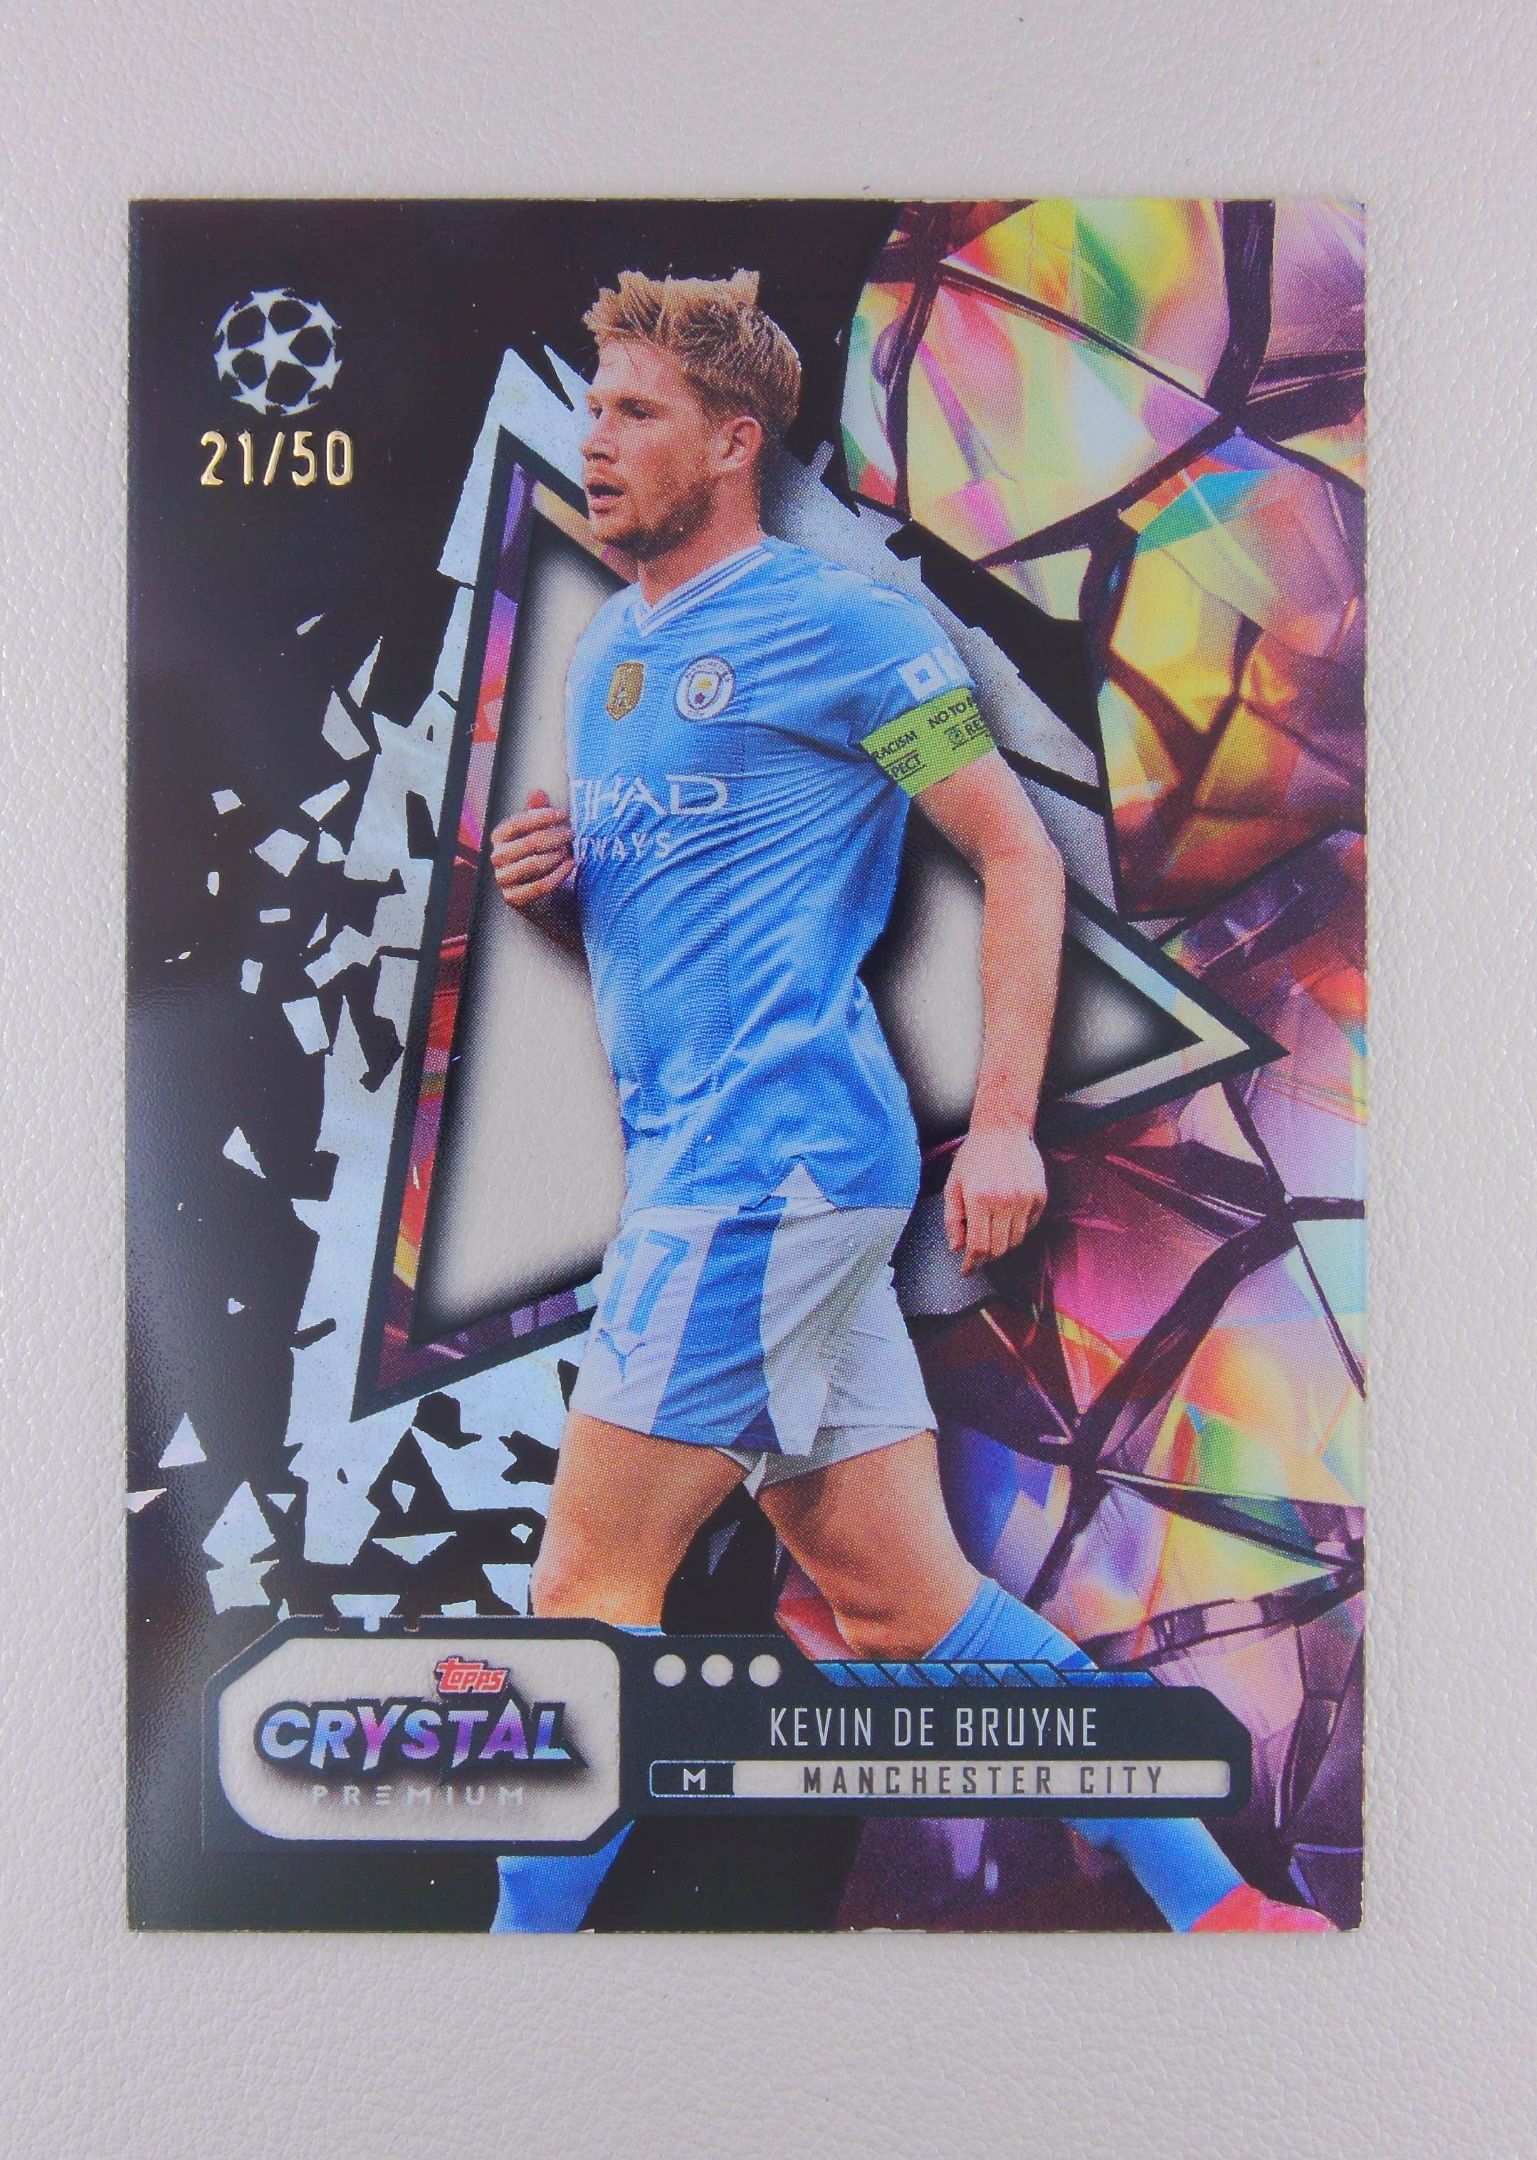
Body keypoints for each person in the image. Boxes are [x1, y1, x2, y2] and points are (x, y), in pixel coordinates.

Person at [487, 268, 1330, 1934]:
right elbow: (689, 928)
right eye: (593, 409)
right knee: (903, 1609)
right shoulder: (607, 656)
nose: (598, 440)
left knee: (588, 1586)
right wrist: (560, 892)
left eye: (636, 412)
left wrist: (1003, 1121)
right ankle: (1223, 1908)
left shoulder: (845, 624)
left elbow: (1015, 855)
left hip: (763, 1174)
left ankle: (508, 1976)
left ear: (733, 440)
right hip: (731, 1175)